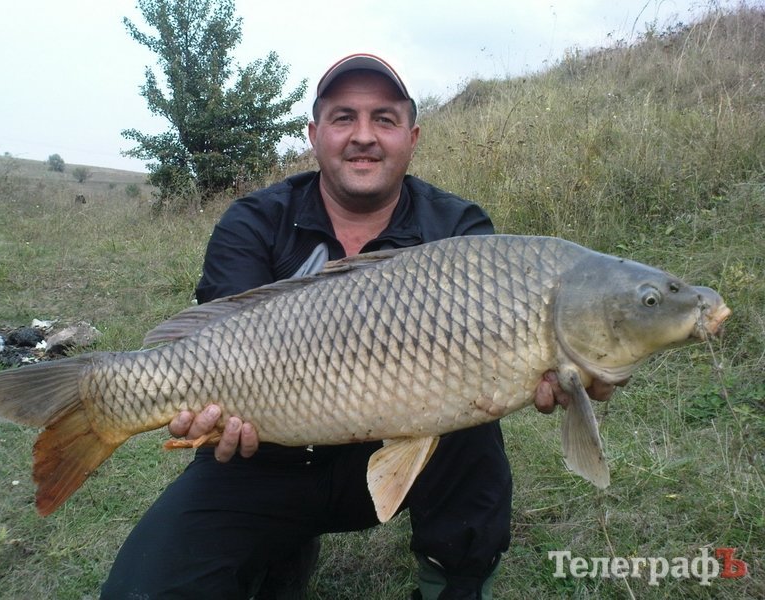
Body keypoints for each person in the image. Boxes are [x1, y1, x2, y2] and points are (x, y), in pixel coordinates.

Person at [102, 53, 613, 600]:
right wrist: (201, 410)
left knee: (472, 436)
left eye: (384, 119)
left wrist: (563, 368)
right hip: (265, 454)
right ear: (315, 134)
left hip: (401, 454)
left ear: (411, 137)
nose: (364, 135)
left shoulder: (459, 230)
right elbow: (217, 346)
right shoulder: (253, 221)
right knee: (143, 590)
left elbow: (516, 355)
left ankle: (454, 579)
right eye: (344, 117)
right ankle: (280, 546)